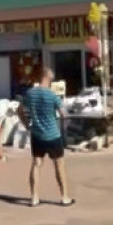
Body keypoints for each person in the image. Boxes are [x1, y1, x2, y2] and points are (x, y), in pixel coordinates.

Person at [18, 68, 73, 208]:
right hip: (53, 135)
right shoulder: (52, 95)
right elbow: (63, 114)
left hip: (37, 135)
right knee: (59, 164)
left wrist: (27, 125)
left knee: (36, 164)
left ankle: (34, 197)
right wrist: (64, 128)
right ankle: (64, 197)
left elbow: (19, 110)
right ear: (48, 79)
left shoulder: (30, 94)